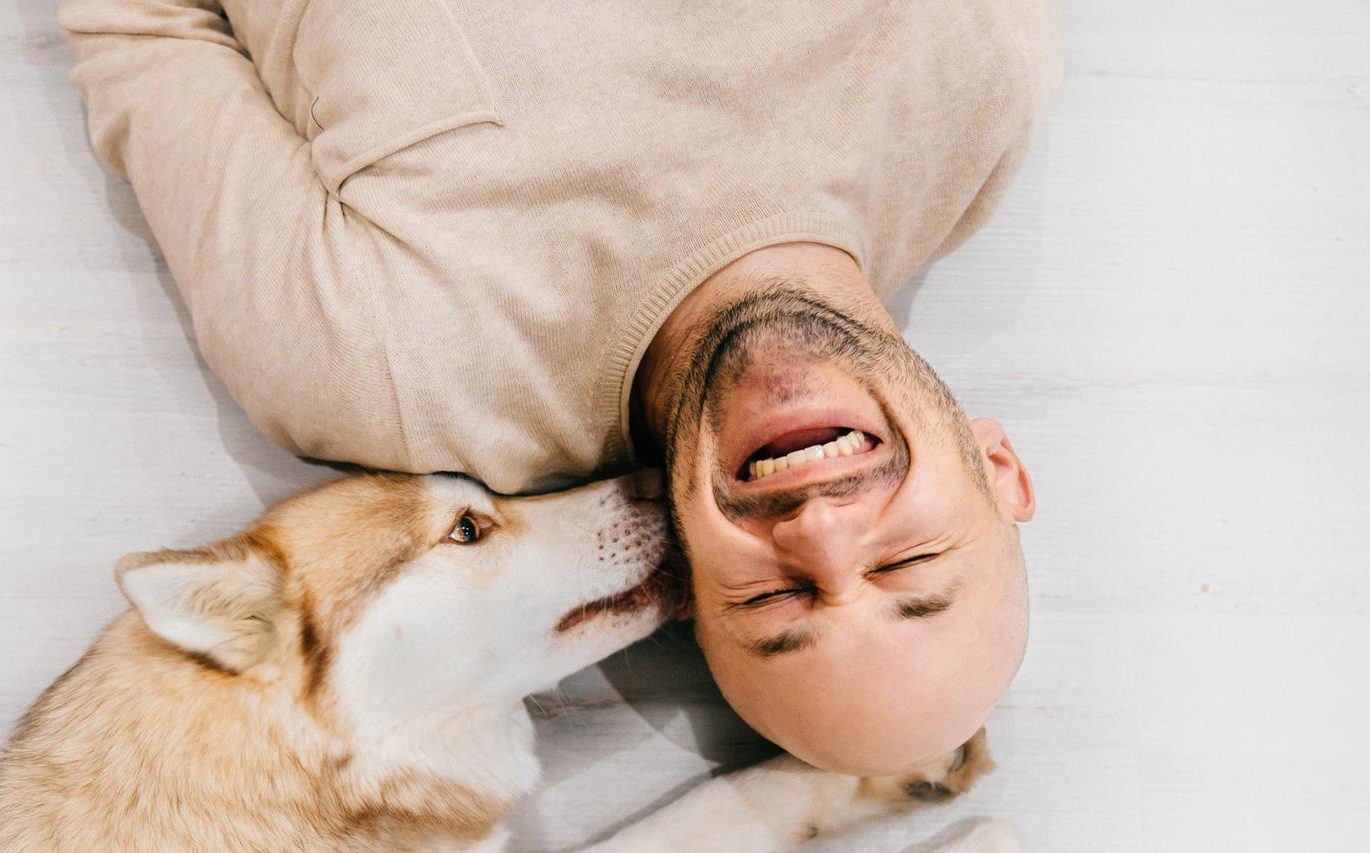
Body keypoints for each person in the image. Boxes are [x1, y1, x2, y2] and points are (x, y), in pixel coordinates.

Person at [58, 0, 1058, 776]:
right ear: (998, 466)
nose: (825, 532)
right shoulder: (969, 68)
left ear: (677, 582)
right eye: (911, 561)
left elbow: (140, 23)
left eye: (774, 597)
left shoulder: (391, 368)